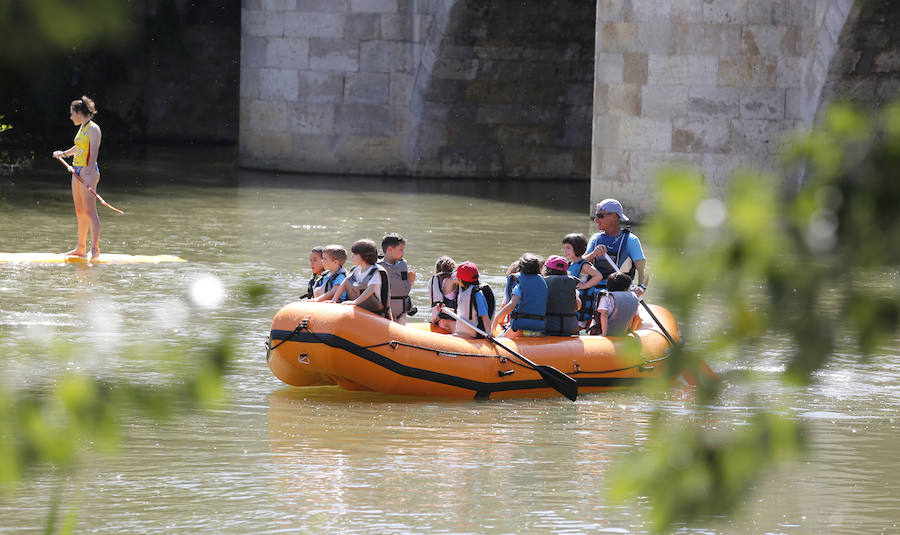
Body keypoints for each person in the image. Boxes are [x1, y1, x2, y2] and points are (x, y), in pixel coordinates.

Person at [52, 96, 102, 261]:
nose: (71, 117)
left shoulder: (94, 129)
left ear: (80, 113)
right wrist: (64, 154)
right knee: (80, 211)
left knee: (90, 211)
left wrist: (88, 174)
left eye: (72, 113)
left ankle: (94, 250)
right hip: (77, 171)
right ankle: (81, 248)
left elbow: (93, 153)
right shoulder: (83, 127)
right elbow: (79, 147)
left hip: (89, 171)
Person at [582, 198, 648, 296]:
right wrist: (593, 254)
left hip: (620, 293)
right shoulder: (595, 239)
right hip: (595, 292)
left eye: (600, 216)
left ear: (613, 216)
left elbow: (644, 270)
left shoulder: (631, 240)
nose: (596, 220)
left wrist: (641, 287)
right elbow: (580, 267)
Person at [332, 239, 391, 318]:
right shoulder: (355, 270)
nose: (352, 257)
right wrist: (334, 300)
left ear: (366, 256)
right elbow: (344, 284)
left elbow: (370, 289)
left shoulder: (375, 272)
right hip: (360, 310)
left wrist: (355, 302)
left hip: (374, 313)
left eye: (355, 254)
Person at [492, 253, 547, 337]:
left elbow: (512, 304)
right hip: (538, 328)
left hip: (520, 328)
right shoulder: (542, 282)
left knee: (499, 339)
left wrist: (496, 319)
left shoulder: (520, 285)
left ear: (521, 268)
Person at [562, 233, 604, 329]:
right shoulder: (571, 264)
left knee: (578, 327)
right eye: (564, 248)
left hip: (582, 305)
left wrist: (585, 286)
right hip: (573, 303)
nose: (565, 250)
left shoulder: (584, 265)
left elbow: (598, 276)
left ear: (577, 248)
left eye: (568, 248)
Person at [379, 233, 416, 324]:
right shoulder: (378, 268)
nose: (403, 253)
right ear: (390, 249)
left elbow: (403, 289)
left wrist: (411, 281)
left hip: (401, 312)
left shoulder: (402, 265)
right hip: (384, 312)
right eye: (401, 250)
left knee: (400, 334)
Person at [452, 261, 494, 339]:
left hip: (472, 335)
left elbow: (485, 316)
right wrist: (444, 309)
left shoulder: (477, 295)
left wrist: (489, 334)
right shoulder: (462, 290)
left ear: (461, 280)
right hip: (462, 332)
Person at [542, 255, 581, 336]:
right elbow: (578, 306)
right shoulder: (571, 283)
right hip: (570, 328)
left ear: (547, 269)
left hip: (548, 327)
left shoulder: (543, 283)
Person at [592, 271, 640, 337]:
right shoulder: (634, 297)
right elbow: (637, 317)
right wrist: (631, 331)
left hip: (608, 333)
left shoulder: (606, 297)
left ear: (608, 285)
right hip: (624, 333)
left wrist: (604, 334)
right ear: (627, 286)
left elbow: (604, 314)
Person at [430, 256, 458, 331]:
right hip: (447, 322)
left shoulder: (434, 281)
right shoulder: (450, 282)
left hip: (438, 320)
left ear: (436, 271)